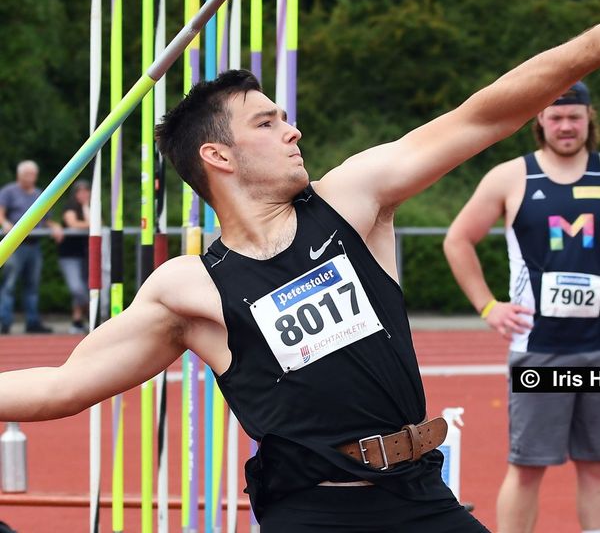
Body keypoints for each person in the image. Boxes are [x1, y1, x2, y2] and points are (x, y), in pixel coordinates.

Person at [2, 27, 600, 532]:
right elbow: (63, 386)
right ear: (219, 156)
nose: (293, 132)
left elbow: (487, 113)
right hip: (310, 513)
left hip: (419, 497)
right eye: (268, 123)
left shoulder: (352, 200)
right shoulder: (190, 289)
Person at [443, 81, 600, 533]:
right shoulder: (512, 177)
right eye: (556, 116)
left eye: (574, 116)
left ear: (589, 116)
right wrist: (488, 306)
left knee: (595, 465)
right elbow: (458, 240)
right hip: (542, 351)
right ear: (540, 120)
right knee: (529, 466)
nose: (566, 125)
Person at [0, 160, 63, 334]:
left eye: (33, 174)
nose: (31, 177)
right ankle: (4, 322)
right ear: (19, 175)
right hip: (14, 245)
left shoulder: (38, 193)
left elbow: (46, 218)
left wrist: (55, 226)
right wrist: (5, 223)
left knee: (32, 285)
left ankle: (32, 322)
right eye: (28, 174)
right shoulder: (9, 191)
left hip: (34, 244)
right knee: (9, 285)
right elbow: (0, 212)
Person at [57, 180, 90, 334]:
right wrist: (88, 222)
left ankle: (77, 320)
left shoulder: (91, 208)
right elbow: (73, 224)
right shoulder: (69, 207)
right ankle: (91, 310)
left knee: (87, 286)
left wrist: (86, 207)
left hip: (86, 254)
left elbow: (98, 223)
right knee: (77, 288)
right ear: (75, 194)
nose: (84, 195)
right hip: (69, 255)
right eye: (80, 192)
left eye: (86, 191)